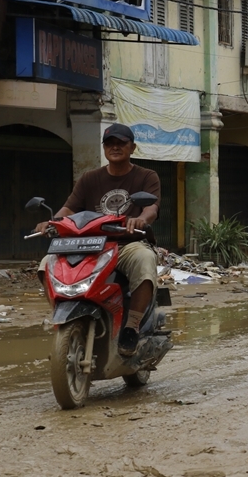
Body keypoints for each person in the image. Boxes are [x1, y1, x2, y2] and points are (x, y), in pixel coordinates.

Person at [36, 124, 160, 356]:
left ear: (132, 147)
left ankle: (132, 326)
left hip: (126, 244)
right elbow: (68, 209)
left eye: (121, 143)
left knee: (144, 259)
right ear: (104, 148)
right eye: (110, 143)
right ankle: (64, 314)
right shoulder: (90, 178)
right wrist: (51, 223)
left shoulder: (146, 176)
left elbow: (152, 207)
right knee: (47, 264)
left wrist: (141, 219)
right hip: (88, 245)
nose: (115, 147)